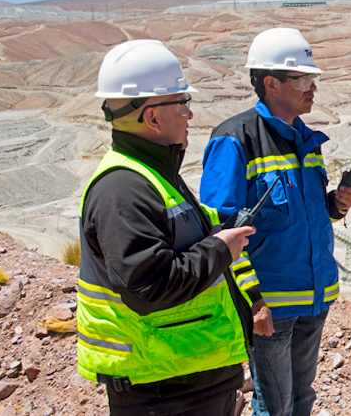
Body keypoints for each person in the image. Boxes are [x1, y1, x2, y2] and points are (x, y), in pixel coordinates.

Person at [77, 39, 256, 416]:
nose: (189, 115)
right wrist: (221, 249)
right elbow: (148, 286)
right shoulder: (122, 191)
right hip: (164, 391)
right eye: (182, 104)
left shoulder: (157, 175)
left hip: (186, 378)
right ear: (152, 117)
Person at [200, 28, 351, 416]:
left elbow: (301, 214)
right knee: (275, 407)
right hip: (271, 305)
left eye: (314, 80)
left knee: (302, 397)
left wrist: (336, 205)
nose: (313, 89)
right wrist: (253, 299)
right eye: (304, 80)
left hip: (313, 298)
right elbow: (221, 234)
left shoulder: (305, 138)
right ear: (271, 83)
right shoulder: (234, 139)